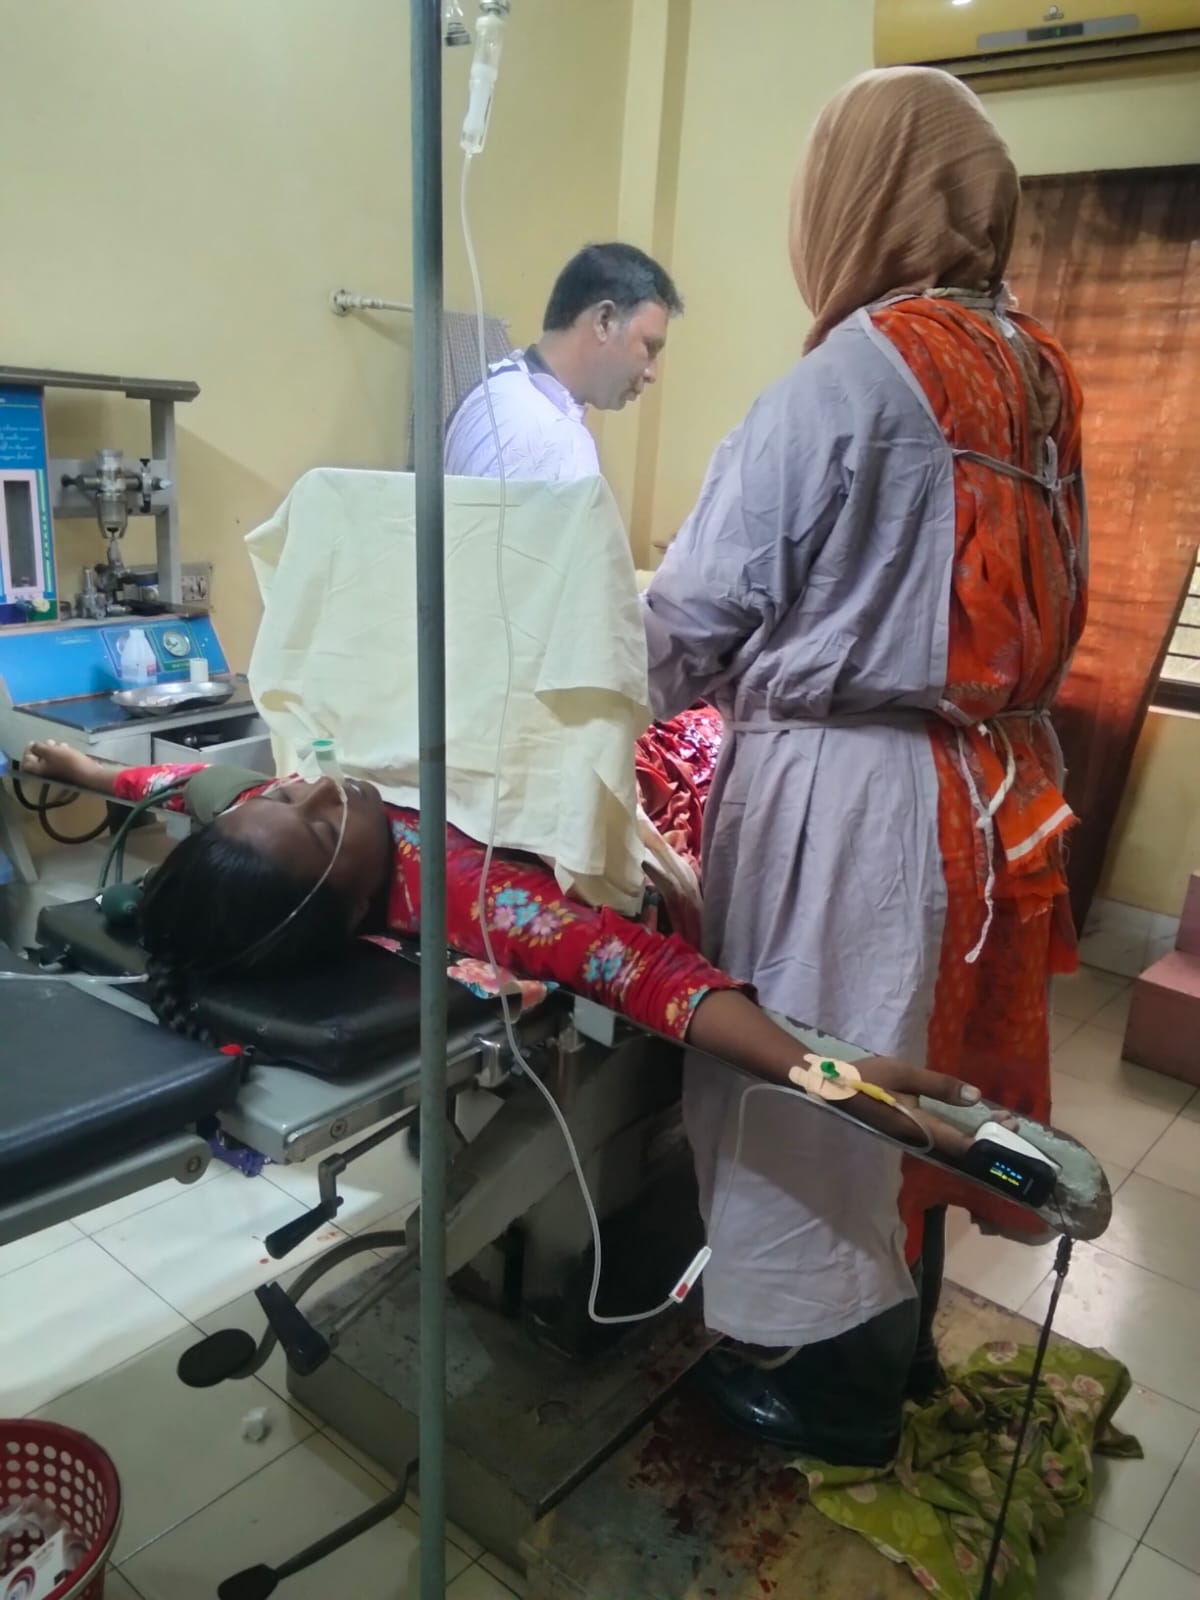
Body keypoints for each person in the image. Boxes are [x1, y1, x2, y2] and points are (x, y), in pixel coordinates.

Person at [642, 66, 1086, 1465]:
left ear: (855, 194)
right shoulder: (1035, 373)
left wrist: (560, 714)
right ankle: (899, 1354)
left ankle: (831, 1399)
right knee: (922, 1088)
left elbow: (692, 620)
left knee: (825, 1091)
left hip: (851, 804)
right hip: (987, 789)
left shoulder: (849, 376)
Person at [21, 734, 979, 1161]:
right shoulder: (471, 895)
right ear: (349, 910)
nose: (314, 787)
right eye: (317, 824)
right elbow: (646, 975)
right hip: (662, 775)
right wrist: (824, 1075)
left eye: (283, 795)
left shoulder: (260, 815)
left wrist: (84, 768)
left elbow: (185, 783)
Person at [444, 242, 682, 482]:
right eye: (649, 347)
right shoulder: (552, 435)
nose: (652, 373)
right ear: (604, 321)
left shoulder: (491, 392)